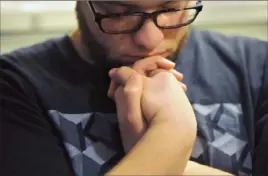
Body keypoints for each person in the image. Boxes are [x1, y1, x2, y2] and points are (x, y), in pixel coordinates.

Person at [0, 0, 267, 175]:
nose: (150, 39)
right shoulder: (14, 85)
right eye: (119, 14)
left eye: (172, 8)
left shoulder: (258, 65)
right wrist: (172, 131)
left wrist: (166, 158)